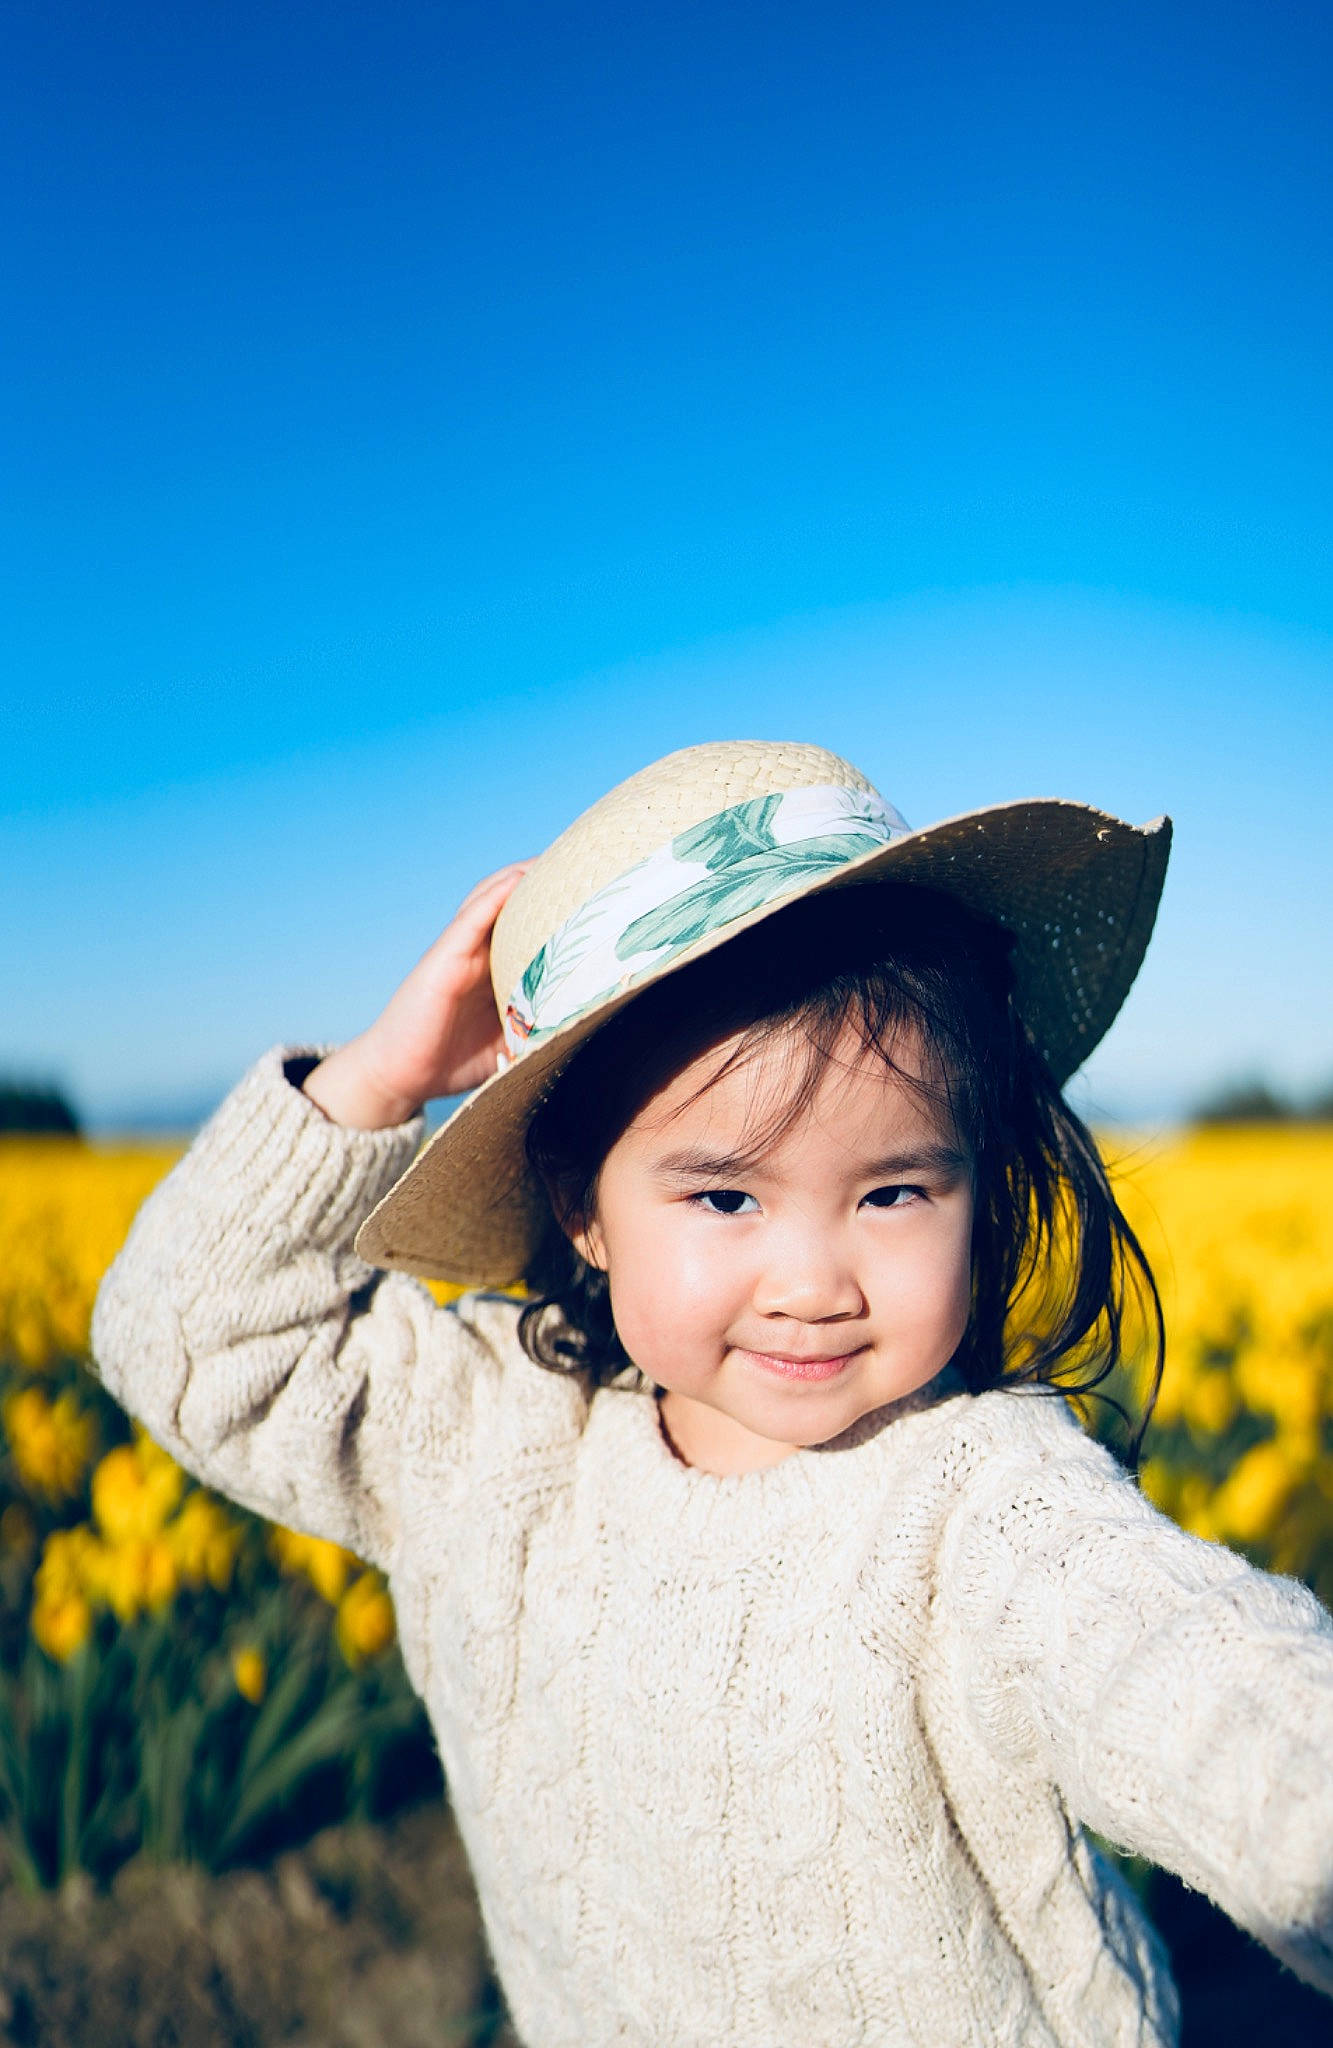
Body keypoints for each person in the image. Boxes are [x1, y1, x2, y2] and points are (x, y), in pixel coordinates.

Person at [91, 738, 1333, 2047]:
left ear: (978, 1180)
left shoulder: (984, 1511)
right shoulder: (486, 1441)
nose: (811, 1283)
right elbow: (186, 1333)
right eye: (725, 1196)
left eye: (893, 1190)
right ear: (582, 1208)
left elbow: (1231, 1711)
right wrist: (378, 1078)